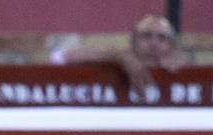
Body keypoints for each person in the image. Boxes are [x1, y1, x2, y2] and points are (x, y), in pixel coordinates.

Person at [52, 14, 184, 93]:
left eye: (162, 38)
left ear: (171, 46)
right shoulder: (117, 62)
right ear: (132, 43)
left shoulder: (181, 67)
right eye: (146, 36)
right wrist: (118, 57)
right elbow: (58, 57)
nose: (153, 43)